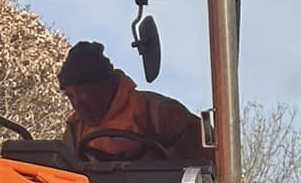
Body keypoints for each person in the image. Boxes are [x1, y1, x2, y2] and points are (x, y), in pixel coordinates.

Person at [58, 42, 204, 164]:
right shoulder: (75, 130)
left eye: (83, 93)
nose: (77, 103)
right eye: (70, 96)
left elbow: (207, 158)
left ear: (105, 86)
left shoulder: (157, 112)